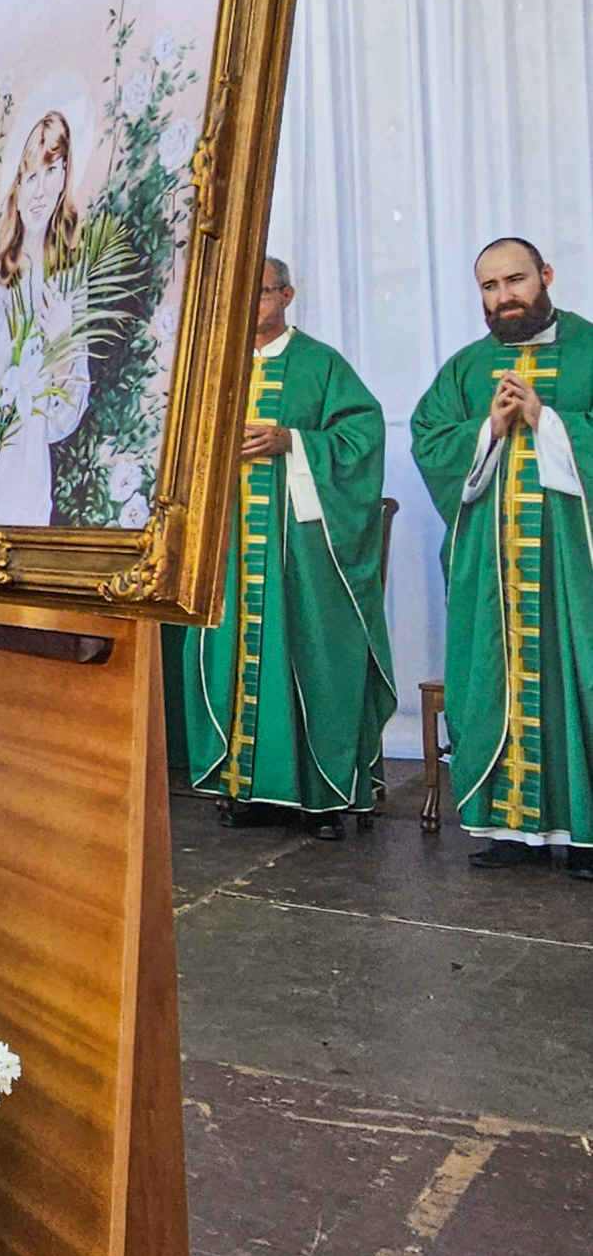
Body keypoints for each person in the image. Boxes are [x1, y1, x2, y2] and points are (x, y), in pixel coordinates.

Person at [180, 258, 396, 836]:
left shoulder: (321, 364)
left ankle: (319, 795)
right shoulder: (215, 364)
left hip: (303, 549)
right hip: (231, 545)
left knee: (313, 656)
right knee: (234, 656)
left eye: (261, 292)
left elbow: (363, 436)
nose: (250, 304)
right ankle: (246, 789)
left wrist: (293, 441)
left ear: (288, 295)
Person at [412, 236, 593, 879]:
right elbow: (429, 440)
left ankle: (586, 833)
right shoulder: (466, 369)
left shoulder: (589, 350)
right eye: (489, 287)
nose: (503, 297)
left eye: (515, 280)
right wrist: (488, 428)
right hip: (492, 573)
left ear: (546, 276)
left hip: (572, 570)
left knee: (577, 681)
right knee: (493, 680)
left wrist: (548, 420)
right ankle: (510, 827)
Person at [0, 111, 95, 527]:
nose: (40, 190)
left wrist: (62, 343)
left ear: (65, 178)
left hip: (24, 483)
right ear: (16, 185)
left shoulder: (68, 283)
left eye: (52, 172)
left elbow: (61, 422)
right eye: (31, 176)